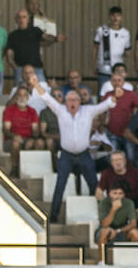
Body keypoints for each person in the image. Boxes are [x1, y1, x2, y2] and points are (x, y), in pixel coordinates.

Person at [28, 74, 115, 223]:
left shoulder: (88, 111)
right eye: (69, 100)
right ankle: (53, 216)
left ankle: (104, 215)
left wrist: (116, 96)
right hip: (66, 156)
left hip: (83, 154)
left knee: (94, 185)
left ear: (79, 102)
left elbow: (106, 105)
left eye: (75, 100)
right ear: (66, 102)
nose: (72, 102)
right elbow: (47, 98)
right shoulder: (61, 110)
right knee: (60, 185)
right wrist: (36, 84)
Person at [93, 6, 132, 87]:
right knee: (103, 92)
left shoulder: (125, 33)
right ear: (109, 16)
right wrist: (94, 65)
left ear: (121, 17)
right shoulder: (102, 30)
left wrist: (126, 53)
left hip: (118, 69)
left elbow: (127, 51)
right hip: (104, 68)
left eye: (118, 15)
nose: (115, 18)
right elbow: (95, 48)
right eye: (113, 15)